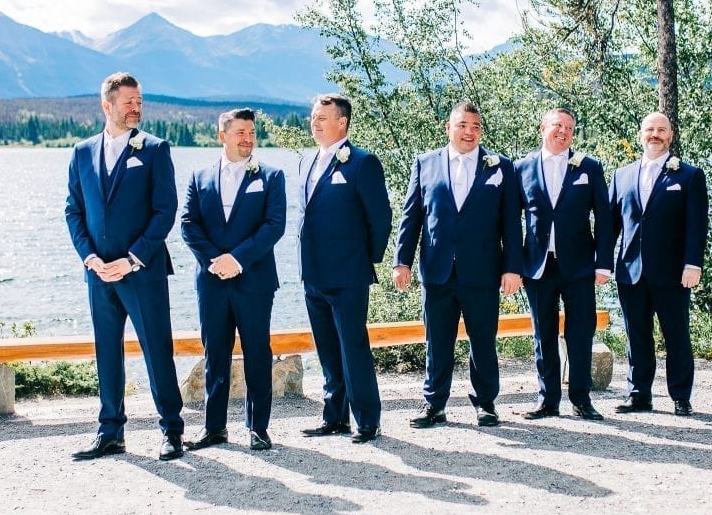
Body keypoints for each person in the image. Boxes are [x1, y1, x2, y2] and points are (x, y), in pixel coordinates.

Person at [64, 71, 185, 460]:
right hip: (98, 274)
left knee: (156, 350)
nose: (136, 108)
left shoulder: (154, 149)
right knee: (107, 352)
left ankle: (172, 430)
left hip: (142, 271)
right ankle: (110, 431)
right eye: (128, 102)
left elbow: (165, 211)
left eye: (140, 102)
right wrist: (90, 258)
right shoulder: (82, 152)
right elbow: (74, 210)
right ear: (107, 105)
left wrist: (131, 259)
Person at [393, 101, 522, 427]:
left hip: (482, 271)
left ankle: (486, 403)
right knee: (437, 342)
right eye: (463, 125)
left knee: (483, 340)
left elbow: (511, 222)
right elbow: (412, 218)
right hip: (437, 270)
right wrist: (402, 261)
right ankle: (434, 404)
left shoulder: (500, 167)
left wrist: (512, 267)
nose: (469, 132)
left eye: (476, 126)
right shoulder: (426, 163)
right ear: (448, 128)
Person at [180, 109, 286, 451]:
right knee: (216, 355)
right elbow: (187, 224)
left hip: (253, 280)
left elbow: (273, 226)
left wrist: (237, 259)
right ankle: (214, 428)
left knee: (258, 353)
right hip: (211, 281)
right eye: (240, 131)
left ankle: (258, 428)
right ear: (222, 135)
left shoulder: (271, 176)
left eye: (252, 132)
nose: (248, 138)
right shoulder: (199, 177)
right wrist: (216, 261)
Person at [298, 94, 391, 443]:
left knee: (353, 347)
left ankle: (367, 419)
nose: (315, 123)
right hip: (313, 273)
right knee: (326, 349)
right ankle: (334, 416)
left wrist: (365, 259)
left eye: (323, 117)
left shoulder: (362, 163)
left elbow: (380, 218)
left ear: (342, 123)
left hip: (349, 274)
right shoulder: (307, 161)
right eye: (313, 117)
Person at [515, 108, 613, 421]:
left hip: (580, 265)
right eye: (558, 125)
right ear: (543, 127)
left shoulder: (589, 167)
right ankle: (548, 400)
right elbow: (508, 221)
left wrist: (604, 263)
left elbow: (605, 218)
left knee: (580, 333)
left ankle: (581, 399)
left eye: (569, 127)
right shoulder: (521, 167)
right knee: (543, 334)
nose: (563, 131)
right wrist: (513, 265)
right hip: (538, 265)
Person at [609, 112, 708, 416]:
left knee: (676, 333)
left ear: (671, 135)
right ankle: (639, 394)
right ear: (641, 134)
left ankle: (680, 395)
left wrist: (693, 264)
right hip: (630, 271)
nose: (655, 134)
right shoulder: (621, 175)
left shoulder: (688, 175)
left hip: (673, 272)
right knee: (636, 335)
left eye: (661, 130)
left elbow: (697, 225)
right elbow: (611, 225)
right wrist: (601, 264)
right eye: (650, 129)